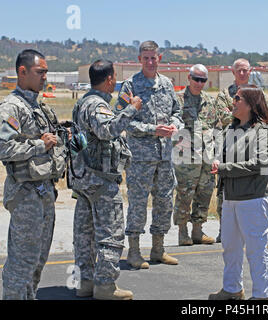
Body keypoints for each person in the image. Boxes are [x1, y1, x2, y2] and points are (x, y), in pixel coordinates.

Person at [71, 60, 143, 300]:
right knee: (110, 234)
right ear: (110, 79)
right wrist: (131, 109)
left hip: (83, 179)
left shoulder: (82, 103)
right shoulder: (97, 105)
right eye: (114, 78)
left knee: (85, 234)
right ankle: (105, 286)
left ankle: (86, 282)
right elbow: (107, 130)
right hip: (100, 180)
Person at [0, 49, 68, 299]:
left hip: (44, 192)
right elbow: (4, 147)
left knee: (38, 261)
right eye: (40, 73)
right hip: (25, 193)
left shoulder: (38, 106)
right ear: (22, 72)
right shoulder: (11, 107)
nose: (44, 78)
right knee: (22, 263)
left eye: (46, 73)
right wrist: (40, 145)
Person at [115, 41, 184, 268]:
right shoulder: (130, 85)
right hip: (140, 157)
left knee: (165, 201)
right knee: (138, 202)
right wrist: (151, 130)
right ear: (139, 59)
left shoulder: (166, 84)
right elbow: (122, 120)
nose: (150, 62)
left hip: (164, 156)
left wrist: (174, 125)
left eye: (153, 57)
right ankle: (134, 251)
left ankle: (158, 249)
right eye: (146, 58)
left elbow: (177, 111)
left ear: (160, 58)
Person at [209, 84, 268, 300]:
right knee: (230, 248)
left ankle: (263, 295)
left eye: (238, 99)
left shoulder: (263, 131)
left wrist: (224, 168)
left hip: (254, 198)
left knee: (256, 249)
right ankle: (232, 289)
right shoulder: (231, 129)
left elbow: (260, 163)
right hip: (231, 197)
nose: (233, 102)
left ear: (250, 104)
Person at [173, 64, 228, 245]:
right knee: (184, 194)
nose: (199, 83)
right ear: (188, 78)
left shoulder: (209, 101)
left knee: (204, 193)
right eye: (196, 79)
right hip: (186, 158)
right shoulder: (178, 100)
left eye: (203, 80)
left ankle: (198, 230)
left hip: (206, 157)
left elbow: (217, 128)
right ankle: (183, 232)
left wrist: (217, 156)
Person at [214, 58, 251, 242]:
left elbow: (264, 117)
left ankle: (246, 231)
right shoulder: (224, 94)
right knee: (225, 191)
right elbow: (225, 117)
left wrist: (235, 112)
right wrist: (246, 114)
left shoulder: (256, 93)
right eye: (239, 70)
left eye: (245, 70)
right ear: (233, 72)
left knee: (250, 190)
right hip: (229, 149)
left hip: (250, 150)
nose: (242, 73)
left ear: (249, 72)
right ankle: (225, 230)